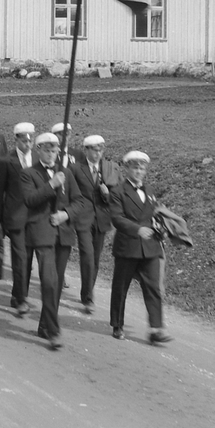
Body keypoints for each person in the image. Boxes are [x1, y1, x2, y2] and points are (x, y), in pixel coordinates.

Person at [21, 132, 89, 349]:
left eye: (54, 150)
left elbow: (80, 201)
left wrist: (66, 214)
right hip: (42, 233)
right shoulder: (28, 174)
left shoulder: (66, 173)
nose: (51, 154)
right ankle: (53, 330)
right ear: (38, 150)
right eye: (47, 150)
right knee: (49, 281)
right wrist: (51, 185)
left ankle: (44, 325)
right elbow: (30, 200)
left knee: (56, 284)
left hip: (63, 234)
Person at [108, 151, 172, 344]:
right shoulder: (118, 192)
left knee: (153, 287)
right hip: (128, 247)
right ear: (127, 169)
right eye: (135, 168)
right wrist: (137, 230)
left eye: (142, 168)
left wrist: (162, 228)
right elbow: (117, 218)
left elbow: (154, 214)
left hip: (150, 247)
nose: (138, 172)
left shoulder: (150, 191)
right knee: (121, 287)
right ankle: (117, 324)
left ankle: (155, 328)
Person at [68, 133, 119, 314]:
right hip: (83, 218)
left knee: (95, 258)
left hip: (102, 218)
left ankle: (87, 291)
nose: (98, 154)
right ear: (86, 150)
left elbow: (117, 196)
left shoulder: (110, 168)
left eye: (101, 150)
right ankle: (88, 297)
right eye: (94, 150)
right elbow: (70, 193)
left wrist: (106, 194)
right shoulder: (76, 169)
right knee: (87, 255)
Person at [0, 122, 36, 316]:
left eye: (30, 139)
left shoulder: (38, 159)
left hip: (35, 217)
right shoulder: (7, 161)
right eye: (24, 140)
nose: (28, 144)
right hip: (15, 217)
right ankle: (21, 299)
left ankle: (17, 293)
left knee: (28, 258)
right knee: (19, 258)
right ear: (16, 140)